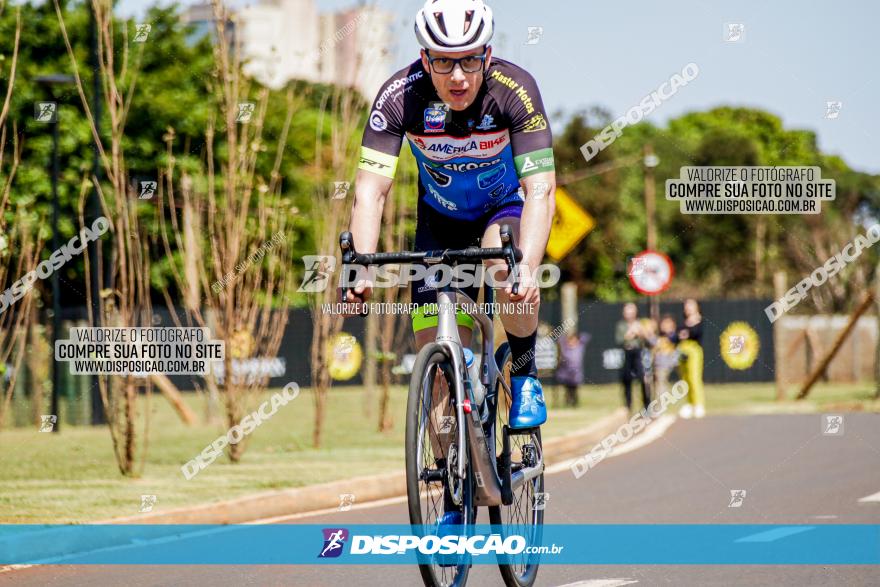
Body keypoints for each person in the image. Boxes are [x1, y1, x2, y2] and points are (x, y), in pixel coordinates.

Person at [342, 0, 557, 526]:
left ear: (487, 54)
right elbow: (370, 191)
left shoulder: (515, 89)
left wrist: (528, 264)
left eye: (468, 60)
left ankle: (524, 372)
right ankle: (453, 490)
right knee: (435, 361)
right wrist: (361, 266)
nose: (457, 75)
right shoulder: (400, 95)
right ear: (424, 58)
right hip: (438, 222)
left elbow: (541, 187)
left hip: (503, 208)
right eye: (442, 61)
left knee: (507, 272)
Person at [615, 303, 651, 413]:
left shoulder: (640, 323)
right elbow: (619, 340)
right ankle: (628, 406)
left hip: (638, 353)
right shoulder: (621, 325)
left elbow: (648, 340)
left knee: (643, 379)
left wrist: (640, 332)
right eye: (627, 312)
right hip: (627, 353)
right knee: (626, 380)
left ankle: (647, 407)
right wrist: (630, 334)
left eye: (631, 311)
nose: (629, 314)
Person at [677, 298, 705, 418]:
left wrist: (686, 333)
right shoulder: (684, 321)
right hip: (682, 350)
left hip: (694, 351)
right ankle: (689, 404)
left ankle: (698, 404)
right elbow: (678, 334)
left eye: (690, 306)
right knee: (685, 379)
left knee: (694, 378)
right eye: (686, 306)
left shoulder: (699, 320)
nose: (688, 308)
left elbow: (695, 333)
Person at [555, 331, 589, 407]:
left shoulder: (579, 347)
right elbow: (560, 340)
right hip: (566, 374)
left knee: (575, 389)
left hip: (576, 374)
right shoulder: (565, 349)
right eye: (570, 340)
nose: (572, 342)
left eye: (574, 340)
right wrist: (566, 334)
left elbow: (586, 336)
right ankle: (568, 402)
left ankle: (575, 403)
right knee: (568, 390)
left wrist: (577, 335)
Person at [653, 314, 679, 398]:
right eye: (664, 324)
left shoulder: (673, 336)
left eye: (669, 324)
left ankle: (660, 403)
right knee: (658, 383)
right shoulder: (660, 337)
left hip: (666, 365)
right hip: (658, 365)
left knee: (661, 383)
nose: (666, 326)